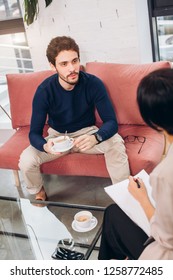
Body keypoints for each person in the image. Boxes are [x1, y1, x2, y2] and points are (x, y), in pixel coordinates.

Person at [18, 36, 130, 201]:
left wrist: (96, 137)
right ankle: (38, 191)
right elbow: (34, 133)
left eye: (74, 61)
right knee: (26, 160)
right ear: (52, 66)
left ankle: (124, 196)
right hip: (58, 138)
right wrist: (45, 146)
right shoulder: (44, 91)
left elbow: (111, 122)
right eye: (64, 64)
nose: (72, 68)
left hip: (87, 134)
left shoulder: (93, 83)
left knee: (116, 143)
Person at [98, 68, 173, 260]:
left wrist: (143, 198)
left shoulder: (164, 174)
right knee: (114, 212)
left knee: (113, 215)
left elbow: (167, 238)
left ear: (154, 122)